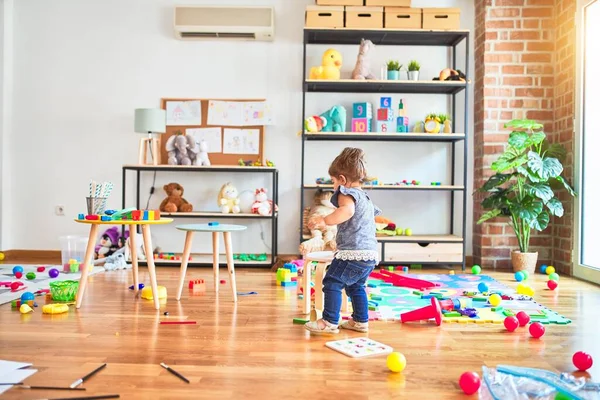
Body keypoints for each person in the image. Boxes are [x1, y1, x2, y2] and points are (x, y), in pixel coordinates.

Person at [305, 147, 381, 334]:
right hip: (369, 254)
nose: (333, 187)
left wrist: (324, 220)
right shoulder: (366, 198)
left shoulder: (346, 193)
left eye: (333, 182)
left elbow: (347, 211)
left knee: (332, 281)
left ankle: (330, 321)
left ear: (343, 180)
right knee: (356, 286)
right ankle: (360, 321)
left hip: (353, 253)